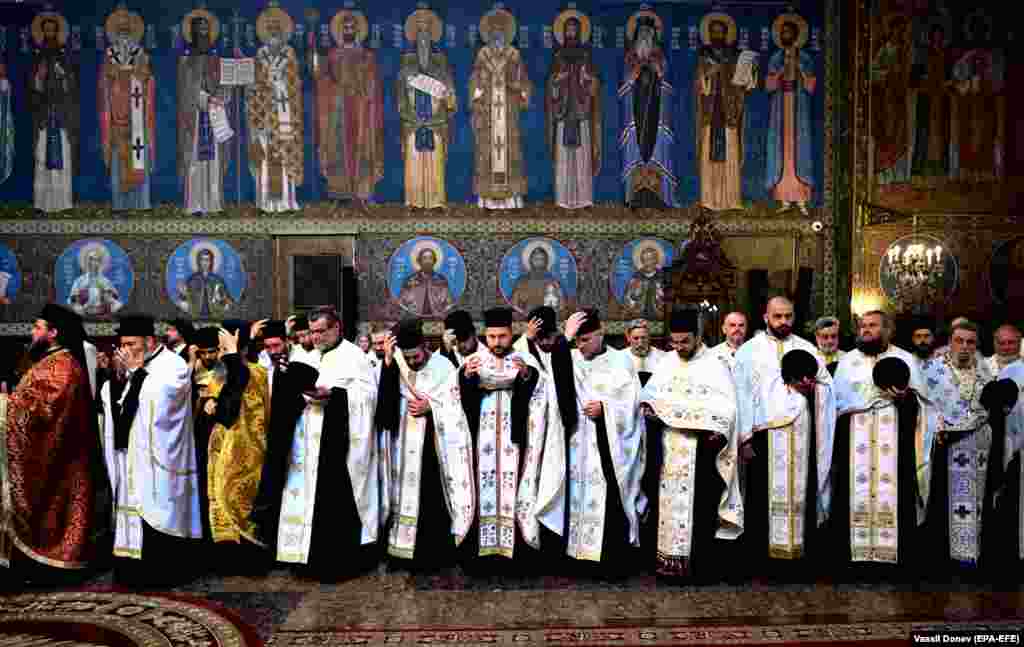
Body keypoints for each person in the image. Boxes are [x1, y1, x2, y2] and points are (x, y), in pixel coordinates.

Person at [272, 306, 380, 579]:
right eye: (313, 332)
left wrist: (334, 395)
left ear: (336, 328)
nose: (316, 337)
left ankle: (336, 563)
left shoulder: (354, 357)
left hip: (338, 442)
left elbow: (368, 397)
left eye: (322, 331)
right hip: (306, 441)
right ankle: (304, 558)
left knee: (333, 501)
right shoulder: (304, 355)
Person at [0, 304, 104, 583]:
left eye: (37, 327)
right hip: (54, 459)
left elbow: (44, 412)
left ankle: (48, 564)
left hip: (61, 462)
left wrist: (5, 406)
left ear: (54, 333)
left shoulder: (63, 366)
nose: (32, 332)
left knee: (56, 516)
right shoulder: (49, 360)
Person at [639, 308, 741, 580]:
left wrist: (714, 428)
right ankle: (666, 564)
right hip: (668, 448)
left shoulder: (715, 364)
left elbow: (727, 407)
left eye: (685, 341)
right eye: (674, 342)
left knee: (700, 509)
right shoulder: (666, 362)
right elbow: (649, 396)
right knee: (665, 506)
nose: (679, 347)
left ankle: (697, 567)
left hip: (701, 452)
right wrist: (650, 408)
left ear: (698, 337)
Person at [101, 313, 201, 586]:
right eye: (123, 344)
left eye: (132, 343)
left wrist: (136, 372)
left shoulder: (174, 365)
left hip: (159, 459)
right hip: (131, 453)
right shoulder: (132, 362)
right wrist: (121, 376)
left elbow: (162, 401)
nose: (127, 350)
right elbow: (118, 398)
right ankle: (130, 569)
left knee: (156, 509)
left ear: (149, 340)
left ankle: (159, 573)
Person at [545, 308, 646, 575]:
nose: (581, 345)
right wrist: (564, 339)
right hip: (578, 443)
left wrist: (606, 409)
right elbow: (554, 378)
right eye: (577, 340)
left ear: (601, 334)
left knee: (608, 495)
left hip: (609, 445)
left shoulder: (620, 361)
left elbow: (632, 404)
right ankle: (577, 558)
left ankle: (609, 561)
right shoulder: (571, 358)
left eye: (586, 339)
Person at [375, 319, 474, 572]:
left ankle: (434, 552)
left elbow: (458, 405)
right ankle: (402, 551)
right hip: (403, 445)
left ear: (425, 346)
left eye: (416, 357)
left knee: (431, 497)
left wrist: (431, 407)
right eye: (407, 358)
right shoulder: (395, 365)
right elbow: (384, 406)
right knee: (402, 495)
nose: (412, 362)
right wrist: (388, 363)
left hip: (432, 446)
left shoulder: (443, 366)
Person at [457, 307, 548, 572]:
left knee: (514, 490)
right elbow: (459, 403)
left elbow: (540, 393)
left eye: (503, 336)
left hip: (515, 442)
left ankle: (516, 555)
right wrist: (467, 379)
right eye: (493, 337)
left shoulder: (523, 360)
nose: (497, 343)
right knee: (483, 488)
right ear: (485, 335)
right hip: (482, 441)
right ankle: (483, 556)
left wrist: (526, 378)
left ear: (512, 334)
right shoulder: (474, 361)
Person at [830, 355, 934, 580]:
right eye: (865, 325)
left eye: (873, 325)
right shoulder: (850, 372)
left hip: (896, 467)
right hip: (857, 464)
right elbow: (837, 412)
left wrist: (905, 400)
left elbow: (922, 420)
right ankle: (854, 563)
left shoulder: (906, 368)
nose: (868, 329)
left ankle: (895, 565)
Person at [740, 349, 834, 580]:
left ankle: (801, 563)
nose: (807, 383)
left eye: (810, 378)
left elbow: (827, 401)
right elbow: (751, 411)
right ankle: (766, 565)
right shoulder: (767, 388)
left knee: (804, 506)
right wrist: (747, 441)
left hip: (804, 464)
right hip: (768, 461)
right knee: (764, 506)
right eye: (802, 378)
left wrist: (815, 388)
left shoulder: (813, 393)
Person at [192, 321, 271, 574]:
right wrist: (207, 407)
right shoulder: (219, 371)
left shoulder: (255, 372)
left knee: (240, 499)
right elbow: (211, 406)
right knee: (217, 496)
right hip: (221, 443)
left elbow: (233, 411)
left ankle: (247, 559)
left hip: (246, 445)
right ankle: (225, 558)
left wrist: (218, 407)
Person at [921, 319, 997, 573]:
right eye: (959, 341)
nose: (964, 347)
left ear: (976, 345)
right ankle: (942, 559)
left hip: (978, 444)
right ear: (950, 342)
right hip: (945, 443)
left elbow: (990, 407)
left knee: (975, 499)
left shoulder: (986, 370)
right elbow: (925, 406)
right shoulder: (932, 369)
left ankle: (970, 555)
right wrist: (939, 426)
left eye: (970, 342)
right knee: (942, 498)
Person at [313, 9, 383, 202]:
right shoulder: (333, 55)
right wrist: (330, 85)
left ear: (358, 31)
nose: (349, 30)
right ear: (340, 31)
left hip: (360, 110)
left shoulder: (366, 56)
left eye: (352, 27)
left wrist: (363, 89)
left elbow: (373, 85)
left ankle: (361, 194)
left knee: (361, 147)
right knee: (338, 148)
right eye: (345, 27)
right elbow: (324, 82)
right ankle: (339, 193)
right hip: (338, 109)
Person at [469, 8, 532, 210]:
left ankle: (511, 198)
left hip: (508, 111)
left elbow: (523, 82)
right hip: (489, 111)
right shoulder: (483, 55)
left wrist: (518, 89)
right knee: (487, 152)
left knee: (510, 152)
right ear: (488, 33)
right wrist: (477, 97)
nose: (497, 34)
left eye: (501, 30)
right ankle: (487, 198)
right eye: (493, 30)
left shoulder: (514, 54)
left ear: (506, 33)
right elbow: (475, 80)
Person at [695, 13, 755, 212]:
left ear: (726, 34)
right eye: (714, 31)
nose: (717, 34)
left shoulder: (734, 56)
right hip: (711, 112)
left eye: (721, 31)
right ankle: (709, 200)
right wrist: (709, 74)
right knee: (710, 154)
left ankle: (731, 200)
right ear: (709, 34)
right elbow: (699, 84)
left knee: (729, 153)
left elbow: (745, 84)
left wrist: (750, 71)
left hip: (728, 110)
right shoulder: (704, 56)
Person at [397, 7, 456, 209]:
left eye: (427, 30)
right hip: (413, 120)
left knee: (435, 161)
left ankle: (436, 201)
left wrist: (447, 102)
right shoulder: (407, 62)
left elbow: (449, 91)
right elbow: (401, 94)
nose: (423, 34)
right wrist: (407, 115)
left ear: (432, 34)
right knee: (414, 162)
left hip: (435, 120)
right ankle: (413, 200)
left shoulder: (441, 62)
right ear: (414, 34)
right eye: (419, 29)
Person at [247, 5, 303, 212]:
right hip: (264, 113)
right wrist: (258, 87)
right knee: (266, 155)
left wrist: (282, 84)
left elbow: (295, 82)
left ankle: (287, 200)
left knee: (286, 153)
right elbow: (253, 84)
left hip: (285, 111)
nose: (273, 30)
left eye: (276, 26)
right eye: (269, 26)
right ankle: (266, 202)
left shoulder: (289, 54)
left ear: (283, 30)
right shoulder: (259, 55)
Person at [99, 8, 155, 211]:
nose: (124, 33)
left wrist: (134, 75)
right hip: (117, 115)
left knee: (138, 155)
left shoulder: (140, 52)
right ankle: (120, 204)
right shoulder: (109, 53)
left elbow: (147, 77)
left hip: (137, 114)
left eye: (127, 29)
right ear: (115, 32)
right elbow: (104, 80)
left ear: (132, 31)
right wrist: (119, 77)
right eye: (120, 29)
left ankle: (141, 203)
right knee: (119, 159)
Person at [620, 11, 677, 208]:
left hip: (655, 110)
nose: (646, 37)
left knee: (655, 148)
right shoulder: (630, 57)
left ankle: (659, 197)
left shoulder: (659, 56)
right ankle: (633, 197)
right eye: (642, 33)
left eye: (649, 33)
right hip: (635, 110)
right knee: (637, 148)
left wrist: (657, 69)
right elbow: (625, 84)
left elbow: (666, 83)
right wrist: (636, 71)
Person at [546, 10, 602, 210]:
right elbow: (551, 84)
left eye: (574, 28)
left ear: (579, 31)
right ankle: (562, 200)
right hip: (563, 111)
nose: (570, 31)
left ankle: (584, 199)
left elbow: (595, 84)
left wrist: (588, 81)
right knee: (565, 157)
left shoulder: (586, 55)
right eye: (567, 28)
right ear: (563, 31)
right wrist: (556, 82)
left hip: (581, 112)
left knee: (581, 157)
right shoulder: (558, 55)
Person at [178, 9, 231, 214]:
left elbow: (224, 85)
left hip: (215, 116)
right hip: (196, 117)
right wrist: (205, 98)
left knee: (214, 161)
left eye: (205, 30)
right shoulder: (186, 60)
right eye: (199, 29)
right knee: (195, 160)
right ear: (192, 32)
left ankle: (214, 203)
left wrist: (224, 94)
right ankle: (195, 205)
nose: (203, 33)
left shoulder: (216, 59)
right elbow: (186, 91)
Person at [765, 16, 816, 215]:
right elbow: (769, 84)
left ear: (795, 35)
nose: (786, 35)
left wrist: (801, 69)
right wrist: (778, 72)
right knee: (781, 151)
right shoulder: (775, 58)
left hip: (799, 105)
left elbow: (811, 85)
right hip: (780, 105)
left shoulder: (805, 58)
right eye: (783, 32)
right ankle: (784, 199)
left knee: (799, 150)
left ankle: (802, 200)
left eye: (789, 32)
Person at [30, 11, 78, 213]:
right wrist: (39, 79)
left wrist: (64, 77)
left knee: (63, 157)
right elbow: (33, 87)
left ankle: (63, 202)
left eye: (52, 30)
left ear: (57, 32)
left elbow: (72, 85)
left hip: (61, 115)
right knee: (42, 156)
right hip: (44, 114)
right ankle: (42, 203)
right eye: (46, 30)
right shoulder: (37, 57)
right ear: (42, 32)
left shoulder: (64, 56)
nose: (49, 33)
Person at [834, 310, 924, 414]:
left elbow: (920, 401)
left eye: (872, 325)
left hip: (893, 424)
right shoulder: (847, 360)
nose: (866, 330)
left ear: (887, 330)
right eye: (863, 326)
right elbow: (836, 401)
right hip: (855, 426)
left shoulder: (905, 358)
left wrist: (905, 397)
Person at [177, 247, 235, 319]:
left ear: (211, 262)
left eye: (207, 260)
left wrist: (222, 300)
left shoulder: (217, 280)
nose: (205, 262)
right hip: (195, 317)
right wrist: (183, 296)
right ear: (199, 261)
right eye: (202, 260)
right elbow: (183, 299)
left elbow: (229, 300)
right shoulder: (192, 280)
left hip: (214, 316)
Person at [398, 246, 454, 317]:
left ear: (434, 261)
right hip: (414, 318)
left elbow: (449, 304)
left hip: (436, 318)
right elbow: (401, 303)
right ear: (419, 261)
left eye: (430, 258)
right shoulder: (410, 280)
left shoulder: (441, 280)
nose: (427, 261)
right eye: (424, 258)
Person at [68, 247, 123, 317]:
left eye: (96, 260)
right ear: (87, 262)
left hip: (102, 314)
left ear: (100, 262)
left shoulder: (105, 281)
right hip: (84, 312)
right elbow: (73, 301)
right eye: (91, 259)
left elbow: (112, 298)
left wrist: (109, 297)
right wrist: (80, 306)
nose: (93, 262)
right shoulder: (79, 281)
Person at [624, 319, 666, 386]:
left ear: (649, 337)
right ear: (628, 338)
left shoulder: (663, 357)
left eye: (644, 338)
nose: (640, 343)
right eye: (636, 338)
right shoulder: (619, 357)